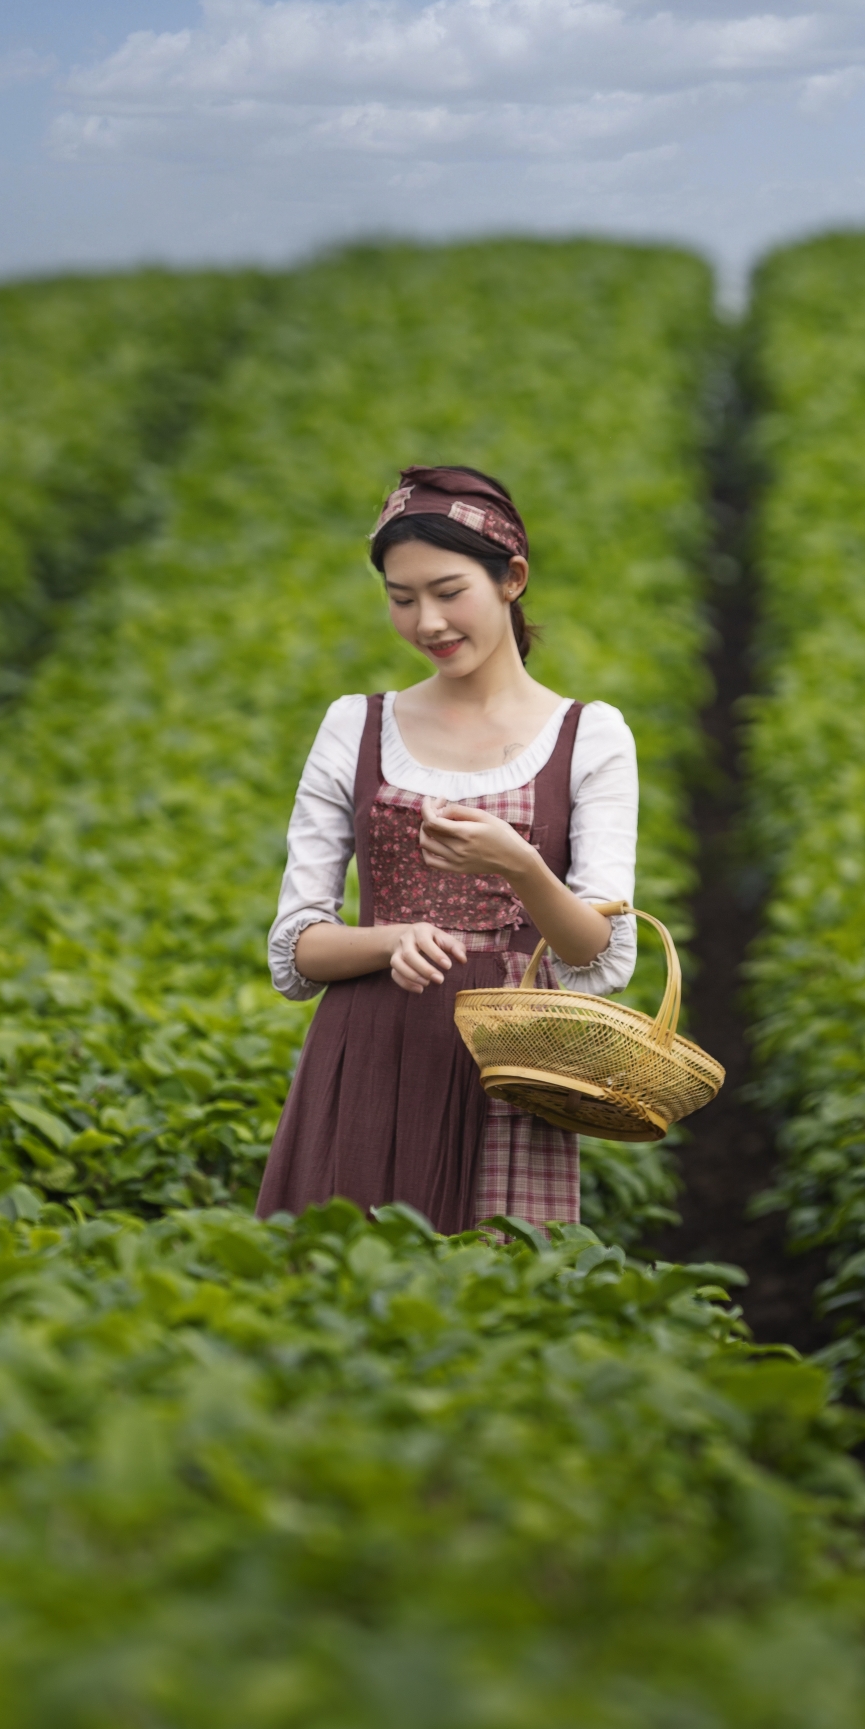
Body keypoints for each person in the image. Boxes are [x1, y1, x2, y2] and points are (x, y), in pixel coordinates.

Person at [257, 464, 639, 1232]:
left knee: (486, 1309)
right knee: (340, 1292)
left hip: (508, 1068)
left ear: (512, 579)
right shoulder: (354, 726)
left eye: (447, 591)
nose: (426, 621)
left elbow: (598, 956)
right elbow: (297, 948)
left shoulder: (589, 735)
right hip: (366, 1054)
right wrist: (386, 940)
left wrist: (520, 864)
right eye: (402, 600)